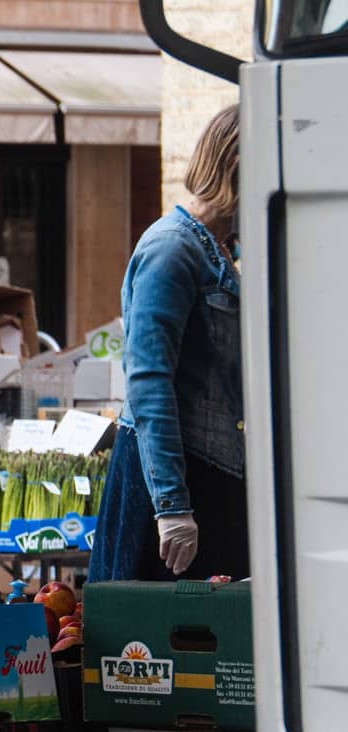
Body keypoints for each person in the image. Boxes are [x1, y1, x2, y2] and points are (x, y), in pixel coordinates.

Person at [92, 106, 245, 582]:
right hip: (175, 483)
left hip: (214, 474)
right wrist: (173, 506)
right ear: (241, 167)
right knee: (158, 647)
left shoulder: (220, 250)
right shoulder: (172, 248)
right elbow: (149, 380)